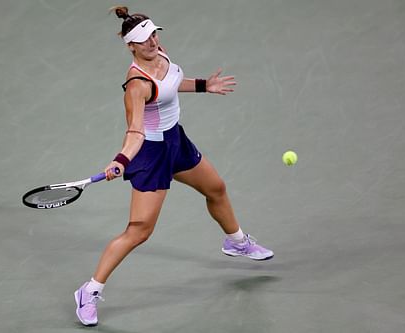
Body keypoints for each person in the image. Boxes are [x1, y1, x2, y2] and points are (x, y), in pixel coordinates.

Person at [74, 6, 274, 326]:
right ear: (131, 47)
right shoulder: (136, 84)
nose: (152, 41)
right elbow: (135, 130)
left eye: (154, 34)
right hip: (150, 154)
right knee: (139, 231)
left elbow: (171, 83)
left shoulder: (160, 54)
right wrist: (121, 161)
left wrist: (203, 85)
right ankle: (89, 290)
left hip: (175, 142)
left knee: (216, 189)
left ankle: (236, 242)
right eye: (144, 39)